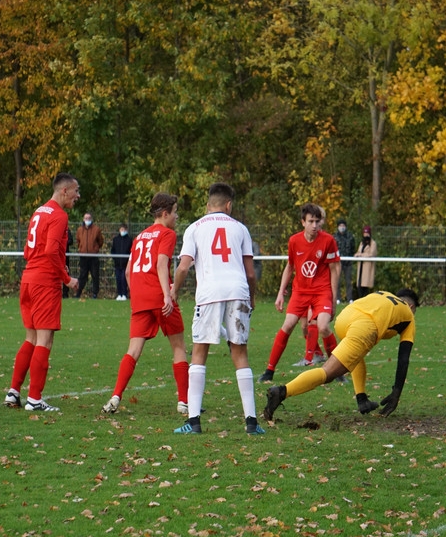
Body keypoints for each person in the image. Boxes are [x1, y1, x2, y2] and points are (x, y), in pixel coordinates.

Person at [170, 182, 259, 435]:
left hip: (209, 294)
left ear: (208, 204)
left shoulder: (194, 228)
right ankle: (251, 422)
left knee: (199, 353)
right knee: (240, 353)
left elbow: (184, 266)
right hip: (238, 291)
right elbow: (250, 273)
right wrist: (251, 297)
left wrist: (174, 290)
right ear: (229, 205)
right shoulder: (241, 228)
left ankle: (194, 421)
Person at [264, 289, 419, 421]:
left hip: (345, 318)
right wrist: (396, 393)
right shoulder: (409, 316)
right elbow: (403, 359)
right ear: (411, 306)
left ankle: (362, 399)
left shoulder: (384, 294)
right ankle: (282, 392)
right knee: (328, 373)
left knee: (357, 355)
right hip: (364, 326)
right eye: (414, 312)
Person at [102, 193, 189, 415]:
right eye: (175, 212)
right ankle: (183, 402)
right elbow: (161, 264)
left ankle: (115, 396)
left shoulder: (139, 236)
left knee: (133, 349)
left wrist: (137, 295)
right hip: (160, 297)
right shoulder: (167, 234)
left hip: (140, 299)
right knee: (178, 347)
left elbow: (129, 272)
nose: (176, 217)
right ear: (165, 213)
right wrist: (167, 295)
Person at [4, 172, 81, 412]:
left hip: (28, 279)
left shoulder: (39, 211)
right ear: (64, 191)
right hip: (44, 283)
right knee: (45, 340)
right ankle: (34, 399)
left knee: (31, 338)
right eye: (76, 191)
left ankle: (13, 392)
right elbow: (50, 251)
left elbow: (30, 251)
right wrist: (66, 279)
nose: (78, 196)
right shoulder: (59, 215)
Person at [259, 203, 340, 383]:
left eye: (317, 221)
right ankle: (269, 371)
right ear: (302, 222)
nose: (314, 225)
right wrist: (280, 293)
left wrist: (334, 298)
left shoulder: (328, 241)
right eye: (311, 221)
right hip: (300, 292)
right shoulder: (294, 241)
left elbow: (335, 269)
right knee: (288, 325)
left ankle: (337, 371)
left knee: (324, 327)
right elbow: (290, 266)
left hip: (321, 291)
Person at [75, 211, 104, 298]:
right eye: (86, 218)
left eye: (89, 218)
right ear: (83, 219)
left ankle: (95, 294)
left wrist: (95, 249)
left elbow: (100, 241)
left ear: (91, 219)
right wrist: (81, 248)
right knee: (82, 275)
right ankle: (78, 293)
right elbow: (78, 241)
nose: (87, 220)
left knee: (95, 275)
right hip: (83, 257)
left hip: (93, 257)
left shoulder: (96, 229)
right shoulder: (80, 230)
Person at [334, 219, 356, 304]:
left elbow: (353, 248)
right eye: (340, 226)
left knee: (348, 281)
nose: (342, 227)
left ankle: (349, 298)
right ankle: (337, 298)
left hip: (348, 262)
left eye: (343, 226)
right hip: (338, 262)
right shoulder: (334, 237)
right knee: (337, 281)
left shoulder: (350, 236)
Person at [110, 223, 133, 300]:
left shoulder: (129, 240)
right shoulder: (116, 239)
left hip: (126, 264)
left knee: (124, 279)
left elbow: (131, 251)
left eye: (124, 229)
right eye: (121, 229)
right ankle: (119, 294)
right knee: (118, 279)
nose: (122, 231)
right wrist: (115, 258)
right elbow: (112, 250)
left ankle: (124, 294)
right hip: (117, 263)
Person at [355, 225, 378, 298]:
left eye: (367, 233)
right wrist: (358, 255)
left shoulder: (373, 243)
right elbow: (358, 252)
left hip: (367, 266)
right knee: (359, 285)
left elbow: (371, 254)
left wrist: (361, 255)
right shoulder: (362, 243)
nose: (366, 235)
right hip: (361, 265)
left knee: (365, 285)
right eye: (364, 233)